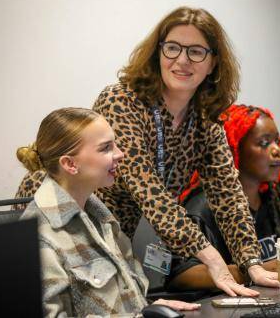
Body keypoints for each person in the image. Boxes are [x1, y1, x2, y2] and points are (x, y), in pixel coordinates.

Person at [15, 6, 278, 296]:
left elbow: (228, 194)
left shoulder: (205, 119)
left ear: (213, 62)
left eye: (196, 52)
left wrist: (252, 262)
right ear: (158, 52)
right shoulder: (123, 100)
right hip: (63, 227)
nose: (182, 60)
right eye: (173, 48)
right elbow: (145, 186)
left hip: (111, 241)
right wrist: (211, 257)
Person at [17, 108, 200, 317]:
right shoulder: (41, 238)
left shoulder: (102, 219)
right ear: (70, 164)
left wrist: (150, 308)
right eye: (105, 148)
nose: (120, 154)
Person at [166, 104, 280, 290]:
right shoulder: (202, 208)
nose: (278, 150)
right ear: (233, 147)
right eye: (264, 143)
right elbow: (181, 276)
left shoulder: (279, 200)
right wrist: (253, 271)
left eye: (277, 141)